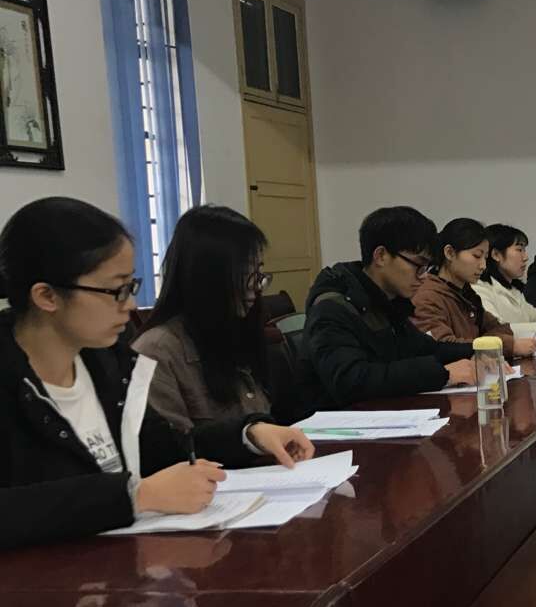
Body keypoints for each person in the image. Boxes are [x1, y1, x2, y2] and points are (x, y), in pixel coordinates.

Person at [0, 197, 313, 549]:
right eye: (116, 290)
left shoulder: (108, 363)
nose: (131, 305)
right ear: (47, 296)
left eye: (131, 287)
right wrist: (135, 495)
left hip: (123, 563)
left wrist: (248, 432)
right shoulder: (13, 379)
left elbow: (164, 447)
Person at [133, 205, 298, 431]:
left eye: (258, 273)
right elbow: (174, 447)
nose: (256, 287)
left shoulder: (235, 331)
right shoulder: (156, 351)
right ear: (206, 277)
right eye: (244, 274)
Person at [303, 206, 475, 407]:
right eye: (418, 265)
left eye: (427, 268)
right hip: (339, 420)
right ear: (381, 256)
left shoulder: (387, 301)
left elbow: (427, 349)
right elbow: (351, 380)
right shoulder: (333, 307)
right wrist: (443, 373)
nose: (424, 276)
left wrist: (478, 351)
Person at [411, 218, 536, 359]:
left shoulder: (467, 294)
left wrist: (484, 343)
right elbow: (444, 348)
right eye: (476, 256)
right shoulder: (428, 296)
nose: (483, 265)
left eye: (485, 257)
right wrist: (503, 346)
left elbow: (502, 328)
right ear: (450, 253)